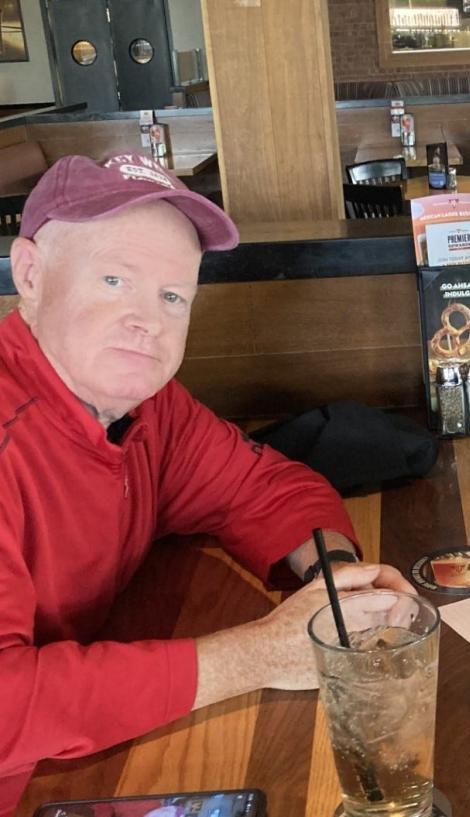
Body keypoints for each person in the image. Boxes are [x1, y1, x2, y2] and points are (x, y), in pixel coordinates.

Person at [0, 153, 414, 812]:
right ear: (30, 273)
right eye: (114, 280)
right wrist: (254, 657)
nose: (149, 321)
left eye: (173, 297)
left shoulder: (147, 405)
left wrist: (329, 574)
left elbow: (266, 487)